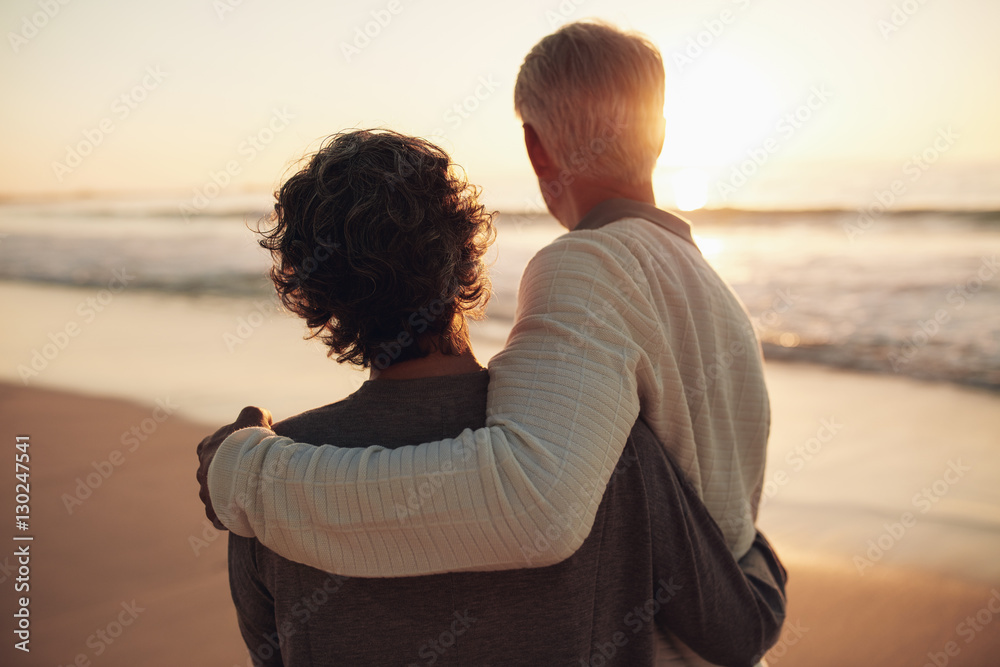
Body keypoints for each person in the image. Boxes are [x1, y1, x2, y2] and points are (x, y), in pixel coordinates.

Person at [199, 21, 781, 664]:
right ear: (661, 130)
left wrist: (247, 474)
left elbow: (532, 505)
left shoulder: (590, 266)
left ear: (535, 148)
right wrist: (760, 574)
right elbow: (720, 537)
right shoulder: (727, 309)